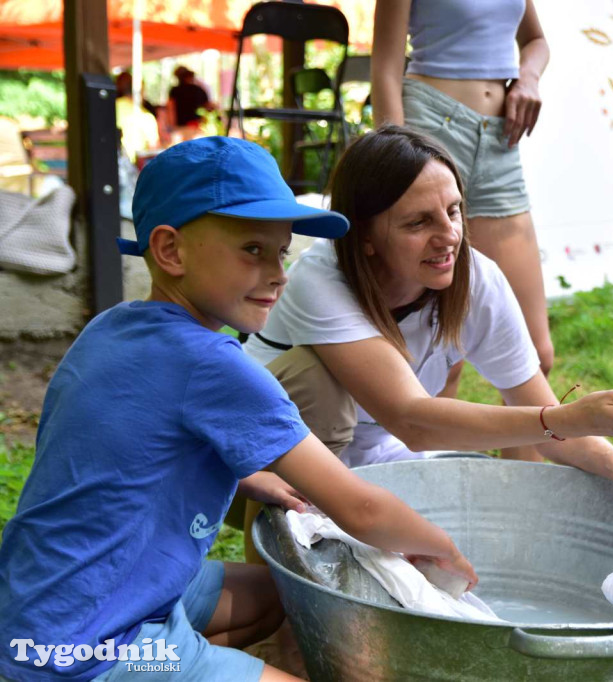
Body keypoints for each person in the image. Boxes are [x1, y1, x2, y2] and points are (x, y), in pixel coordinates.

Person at [0, 137, 478, 682]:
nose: (278, 273)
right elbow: (362, 511)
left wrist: (255, 480)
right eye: (252, 249)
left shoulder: (111, 328)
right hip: (89, 646)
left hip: (43, 605)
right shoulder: (212, 364)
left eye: (281, 252)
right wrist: (443, 550)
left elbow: (128, 448)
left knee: (280, 594)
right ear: (171, 251)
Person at [242, 126, 613, 552]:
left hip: (376, 460)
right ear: (365, 237)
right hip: (244, 468)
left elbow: (545, 426)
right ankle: (280, 592)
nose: (449, 237)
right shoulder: (321, 279)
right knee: (317, 382)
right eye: (418, 223)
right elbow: (413, 421)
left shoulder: (476, 280)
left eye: (454, 210)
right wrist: (565, 417)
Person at [371, 0, 553, 462]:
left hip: (501, 140)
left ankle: (521, 513)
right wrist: (395, 163)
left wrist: (527, 77)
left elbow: (536, 40)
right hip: (430, 127)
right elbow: (386, 68)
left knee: (535, 353)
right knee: (442, 357)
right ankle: (433, 494)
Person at [168, 65, 215, 139]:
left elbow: (171, 109)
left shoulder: (175, 91)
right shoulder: (198, 90)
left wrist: (172, 126)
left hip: (181, 127)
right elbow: (208, 106)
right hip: (196, 126)